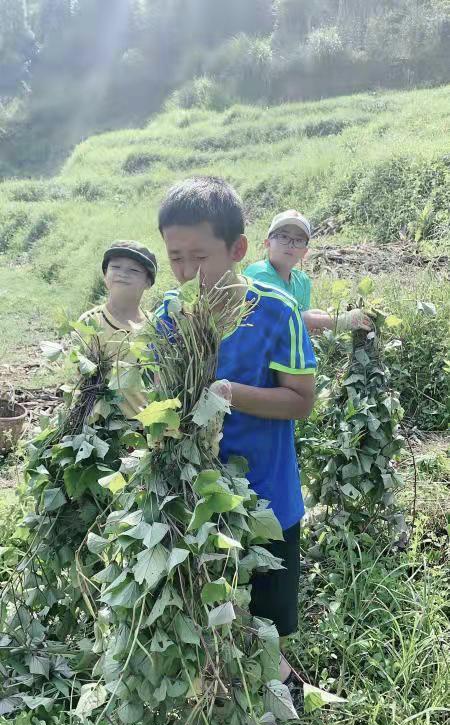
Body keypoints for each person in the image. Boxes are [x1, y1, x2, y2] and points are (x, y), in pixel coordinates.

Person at [156, 176, 316, 694]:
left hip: (266, 492)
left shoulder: (275, 312)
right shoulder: (171, 315)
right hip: (197, 495)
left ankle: (280, 689)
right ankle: (223, 692)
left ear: (238, 249)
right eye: (175, 257)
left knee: (266, 612)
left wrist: (231, 392)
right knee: (209, 604)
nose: (186, 271)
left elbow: (300, 400)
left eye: (199, 257)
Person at [244, 209, 371, 333]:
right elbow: (280, 320)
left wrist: (315, 324)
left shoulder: (302, 281)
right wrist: (342, 321)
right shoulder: (259, 273)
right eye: (283, 236)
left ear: (305, 252)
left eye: (298, 240)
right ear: (267, 243)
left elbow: (299, 324)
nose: (291, 244)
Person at [78, 240, 157, 418]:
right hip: (98, 426)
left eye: (133, 270)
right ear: (105, 276)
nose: (123, 274)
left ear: (148, 282)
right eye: (116, 267)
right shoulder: (91, 322)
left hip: (143, 428)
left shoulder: (155, 328)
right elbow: (82, 380)